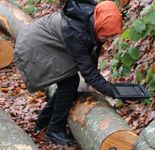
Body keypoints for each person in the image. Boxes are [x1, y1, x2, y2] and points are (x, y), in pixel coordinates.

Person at [14, 0, 122, 145]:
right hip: (34, 47)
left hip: (44, 42)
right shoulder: (76, 32)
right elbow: (88, 72)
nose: (108, 39)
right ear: (99, 26)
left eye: (111, 36)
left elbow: (91, 54)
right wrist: (114, 92)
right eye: (106, 36)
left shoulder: (96, 19)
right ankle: (54, 130)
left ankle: (43, 122)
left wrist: (109, 88)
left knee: (69, 82)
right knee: (69, 83)